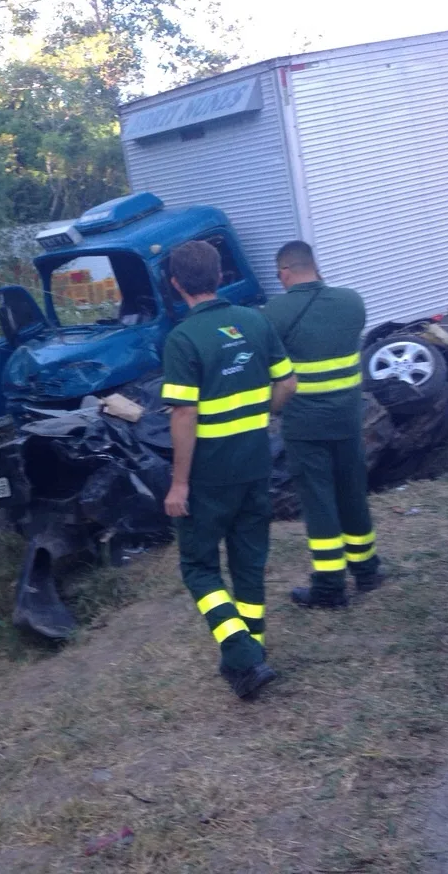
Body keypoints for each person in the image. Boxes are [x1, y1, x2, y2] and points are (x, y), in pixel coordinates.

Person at [161, 240, 297, 698]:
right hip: (255, 463)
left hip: (209, 474)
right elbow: (288, 382)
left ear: (175, 284)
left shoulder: (183, 339)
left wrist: (179, 484)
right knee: (249, 562)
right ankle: (251, 658)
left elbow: (183, 416)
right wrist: (263, 415)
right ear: (220, 276)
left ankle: (241, 655)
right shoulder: (256, 321)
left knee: (199, 567)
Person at [262, 241, 381, 608]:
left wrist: (271, 410)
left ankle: (329, 588)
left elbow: (274, 370)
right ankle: (367, 572)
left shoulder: (274, 312)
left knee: (319, 503)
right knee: (352, 494)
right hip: (348, 419)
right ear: (315, 265)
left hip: (304, 425)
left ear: (284, 272)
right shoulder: (351, 302)